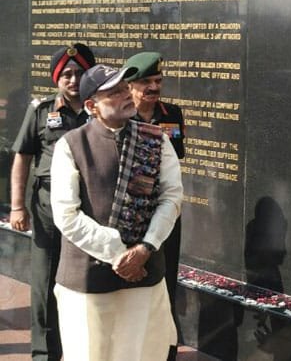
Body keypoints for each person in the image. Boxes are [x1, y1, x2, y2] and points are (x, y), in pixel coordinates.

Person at [50, 64, 183, 360]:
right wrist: (120, 254)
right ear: (91, 106)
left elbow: (171, 197)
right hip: (89, 277)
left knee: (144, 352)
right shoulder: (71, 145)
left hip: (145, 273)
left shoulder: (156, 139)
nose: (125, 95)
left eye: (125, 88)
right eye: (114, 92)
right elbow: (66, 215)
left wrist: (145, 248)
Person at [9, 42, 96, 361]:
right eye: (66, 75)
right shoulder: (41, 111)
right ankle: (44, 353)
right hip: (47, 205)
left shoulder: (99, 110)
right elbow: (22, 158)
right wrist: (17, 206)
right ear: (56, 78)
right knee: (44, 280)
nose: (73, 80)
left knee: (88, 278)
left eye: (80, 73)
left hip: (89, 206)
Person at [123, 51, 185, 361]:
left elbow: (177, 154)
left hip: (164, 211)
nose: (154, 87)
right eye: (146, 82)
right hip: (130, 213)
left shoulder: (171, 113)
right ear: (130, 86)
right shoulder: (120, 117)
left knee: (165, 280)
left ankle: (166, 351)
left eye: (158, 81)